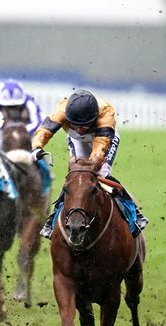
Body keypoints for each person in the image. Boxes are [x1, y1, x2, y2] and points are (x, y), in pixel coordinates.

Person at [30, 89, 148, 239]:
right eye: (75, 125)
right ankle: (53, 219)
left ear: (93, 118)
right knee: (75, 177)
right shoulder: (62, 110)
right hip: (78, 142)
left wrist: (91, 167)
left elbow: (99, 149)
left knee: (101, 174)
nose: (79, 129)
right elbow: (45, 130)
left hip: (102, 139)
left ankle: (134, 214)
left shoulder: (106, 115)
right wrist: (36, 147)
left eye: (83, 125)